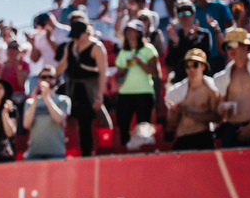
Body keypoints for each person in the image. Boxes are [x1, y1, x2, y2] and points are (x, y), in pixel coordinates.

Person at [57, 20, 112, 156]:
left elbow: (103, 72)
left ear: (86, 33)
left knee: (85, 123)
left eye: (77, 36)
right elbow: (62, 65)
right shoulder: (70, 45)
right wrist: (50, 77)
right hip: (72, 88)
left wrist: (99, 96)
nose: (75, 39)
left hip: (89, 90)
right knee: (67, 119)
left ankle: (86, 155)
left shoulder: (97, 47)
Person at [114, 20, 159, 146]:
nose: (128, 32)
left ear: (139, 33)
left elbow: (155, 72)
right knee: (123, 126)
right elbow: (119, 74)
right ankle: (124, 155)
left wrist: (140, 63)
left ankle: (144, 155)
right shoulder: (123, 52)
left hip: (144, 93)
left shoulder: (149, 49)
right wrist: (125, 67)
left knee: (143, 127)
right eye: (127, 30)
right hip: (125, 94)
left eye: (132, 30)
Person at [165, 49, 220, 151]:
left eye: (195, 64)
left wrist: (189, 114)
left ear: (203, 66)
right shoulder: (177, 91)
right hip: (182, 138)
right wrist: (174, 112)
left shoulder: (211, 90)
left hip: (202, 138)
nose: (191, 69)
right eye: (187, 65)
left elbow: (217, 118)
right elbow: (171, 123)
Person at [213, 28, 250, 147]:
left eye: (233, 44)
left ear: (245, 46)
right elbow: (221, 104)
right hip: (231, 130)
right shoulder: (226, 75)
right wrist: (221, 109)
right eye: (227, 46)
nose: (230, 49)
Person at [22, 67, 71, 160]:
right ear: (38, 80)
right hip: (34, 153)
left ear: (55, 79)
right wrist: (35, 102)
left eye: (50, 77)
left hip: (56, 153)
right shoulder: (30, 102)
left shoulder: (63, 100)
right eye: (44, 77)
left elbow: (59, 119)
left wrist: (47, 98)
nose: (47, 79)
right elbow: (26, 124)